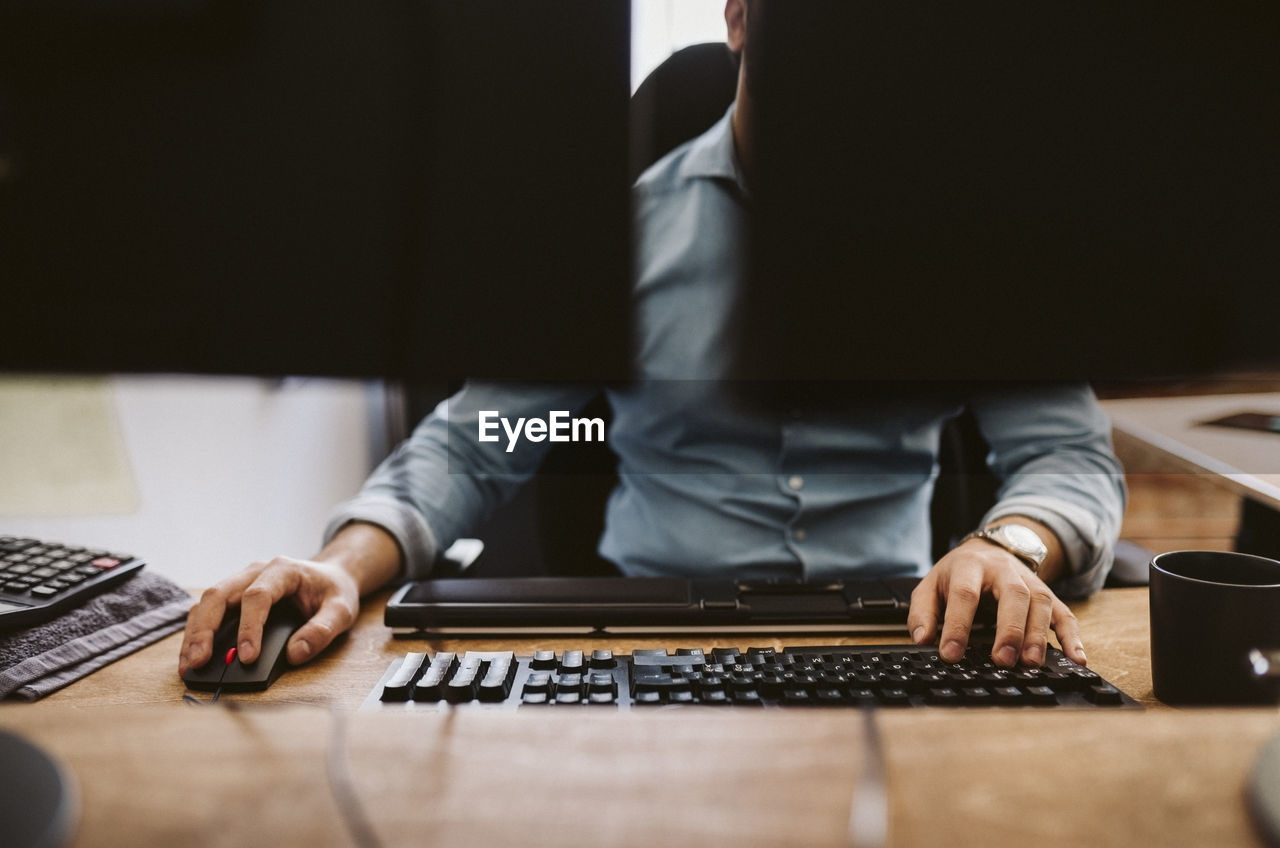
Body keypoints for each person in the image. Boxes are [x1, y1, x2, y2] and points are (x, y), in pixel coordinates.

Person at [178, 0, 1124, 680]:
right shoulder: (614, 240)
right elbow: (480, 442)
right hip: (656, 646)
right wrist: (340, 566)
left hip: (911, 639)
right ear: (741, 18)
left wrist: (1012, 542)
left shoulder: (961, 247)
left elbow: (1068, 453)